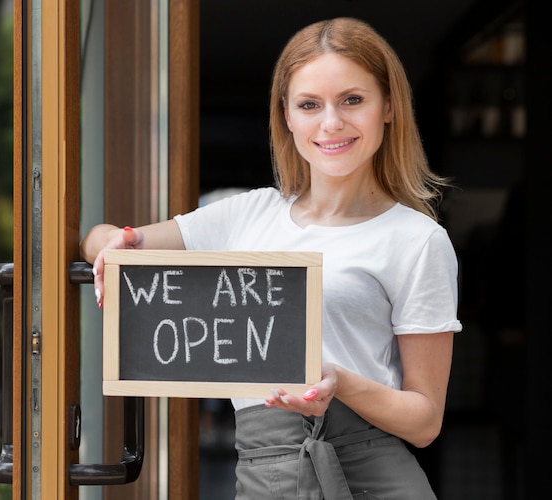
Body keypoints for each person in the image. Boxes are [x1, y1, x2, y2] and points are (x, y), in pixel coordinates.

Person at [81, 17, 462, 500]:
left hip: (372, 475)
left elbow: (425, 422)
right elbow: (104, 240)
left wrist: (339, 382)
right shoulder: (249, 213)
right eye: (309, 105)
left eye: (352, 100)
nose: (331, 123)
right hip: (266, 473)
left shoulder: (419, 240)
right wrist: (109, 241)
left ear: (387, 107)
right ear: (286, 115)